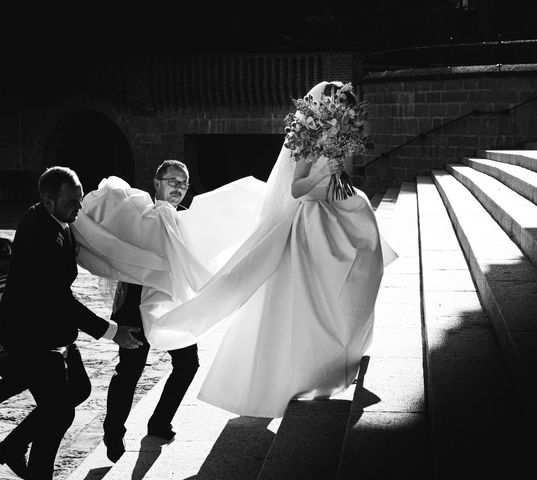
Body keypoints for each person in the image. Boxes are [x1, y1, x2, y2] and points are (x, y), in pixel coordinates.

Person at [72, 80, 397, 419]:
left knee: (360, 280)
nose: (339, 113)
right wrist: (324, 176)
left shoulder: (342, 139)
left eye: (344, 108)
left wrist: (337, 179)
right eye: (336, 107)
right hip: (310, 222)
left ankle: (349, 347)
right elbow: (298, 187)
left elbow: (340, 178)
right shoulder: (308, 139)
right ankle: (116, 428)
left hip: (342, 212)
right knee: (315, 298)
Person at [0, 166, 141, 480]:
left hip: (50, 327)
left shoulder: (59, 220)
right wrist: (111, 331)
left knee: (78, 388)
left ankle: (13, 446)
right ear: (49, 202)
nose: (79, 208)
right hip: (28, 334)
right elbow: (57, 299)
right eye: (72, 203)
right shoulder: (40, 232)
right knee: (59, 411)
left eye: (80, 199)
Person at [103, 160, 199, 463]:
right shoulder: (140, 214)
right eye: (173, 181)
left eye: (184, 183)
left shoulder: (186, 220)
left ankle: (159, 421)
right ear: (156, 183)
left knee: (188, 364)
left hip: (173, 308)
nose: (179, 188)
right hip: (135, 304)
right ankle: (113, 430)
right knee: (130, 371)